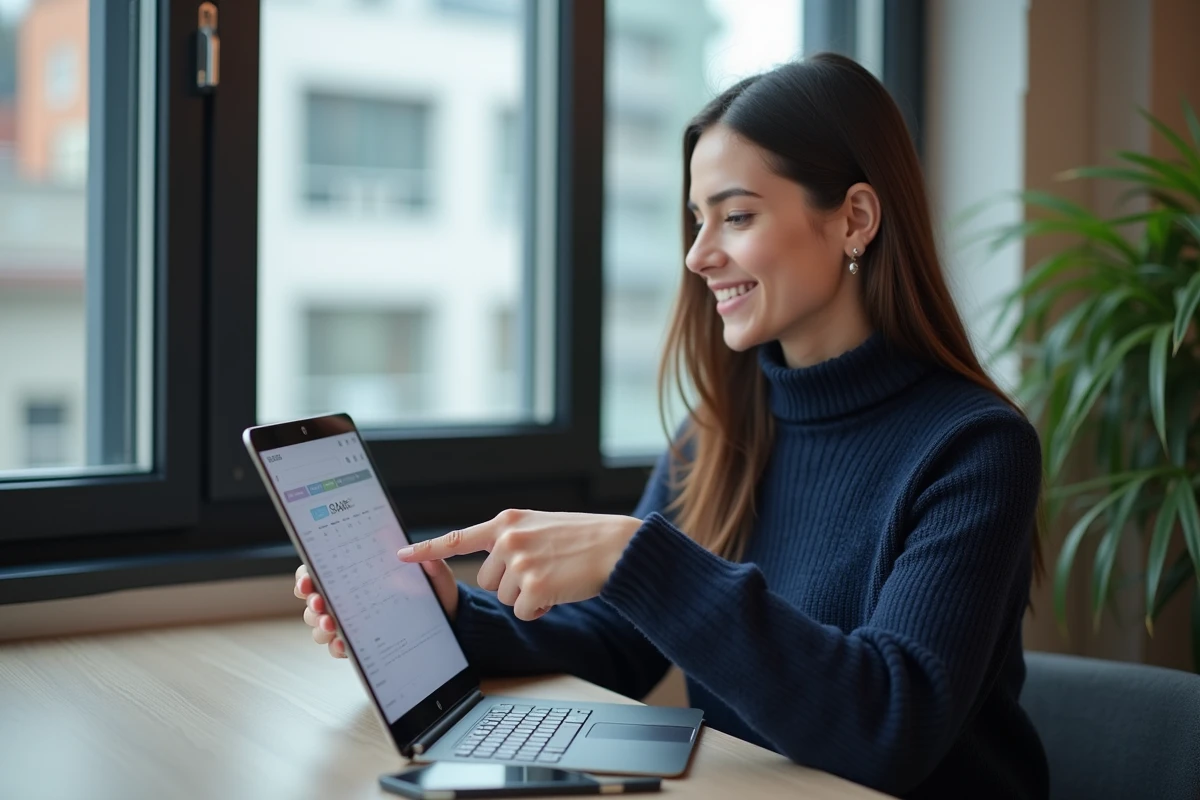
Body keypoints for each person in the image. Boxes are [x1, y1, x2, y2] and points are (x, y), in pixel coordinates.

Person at [294, 52, 1049, 799]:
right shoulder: (718, 432)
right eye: (697, 220)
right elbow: (617, 641)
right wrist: (447, 610)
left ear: (854, 218)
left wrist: (638, 556)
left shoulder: (975, 448)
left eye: (738, 215)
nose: (698, 254)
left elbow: (889, 725)